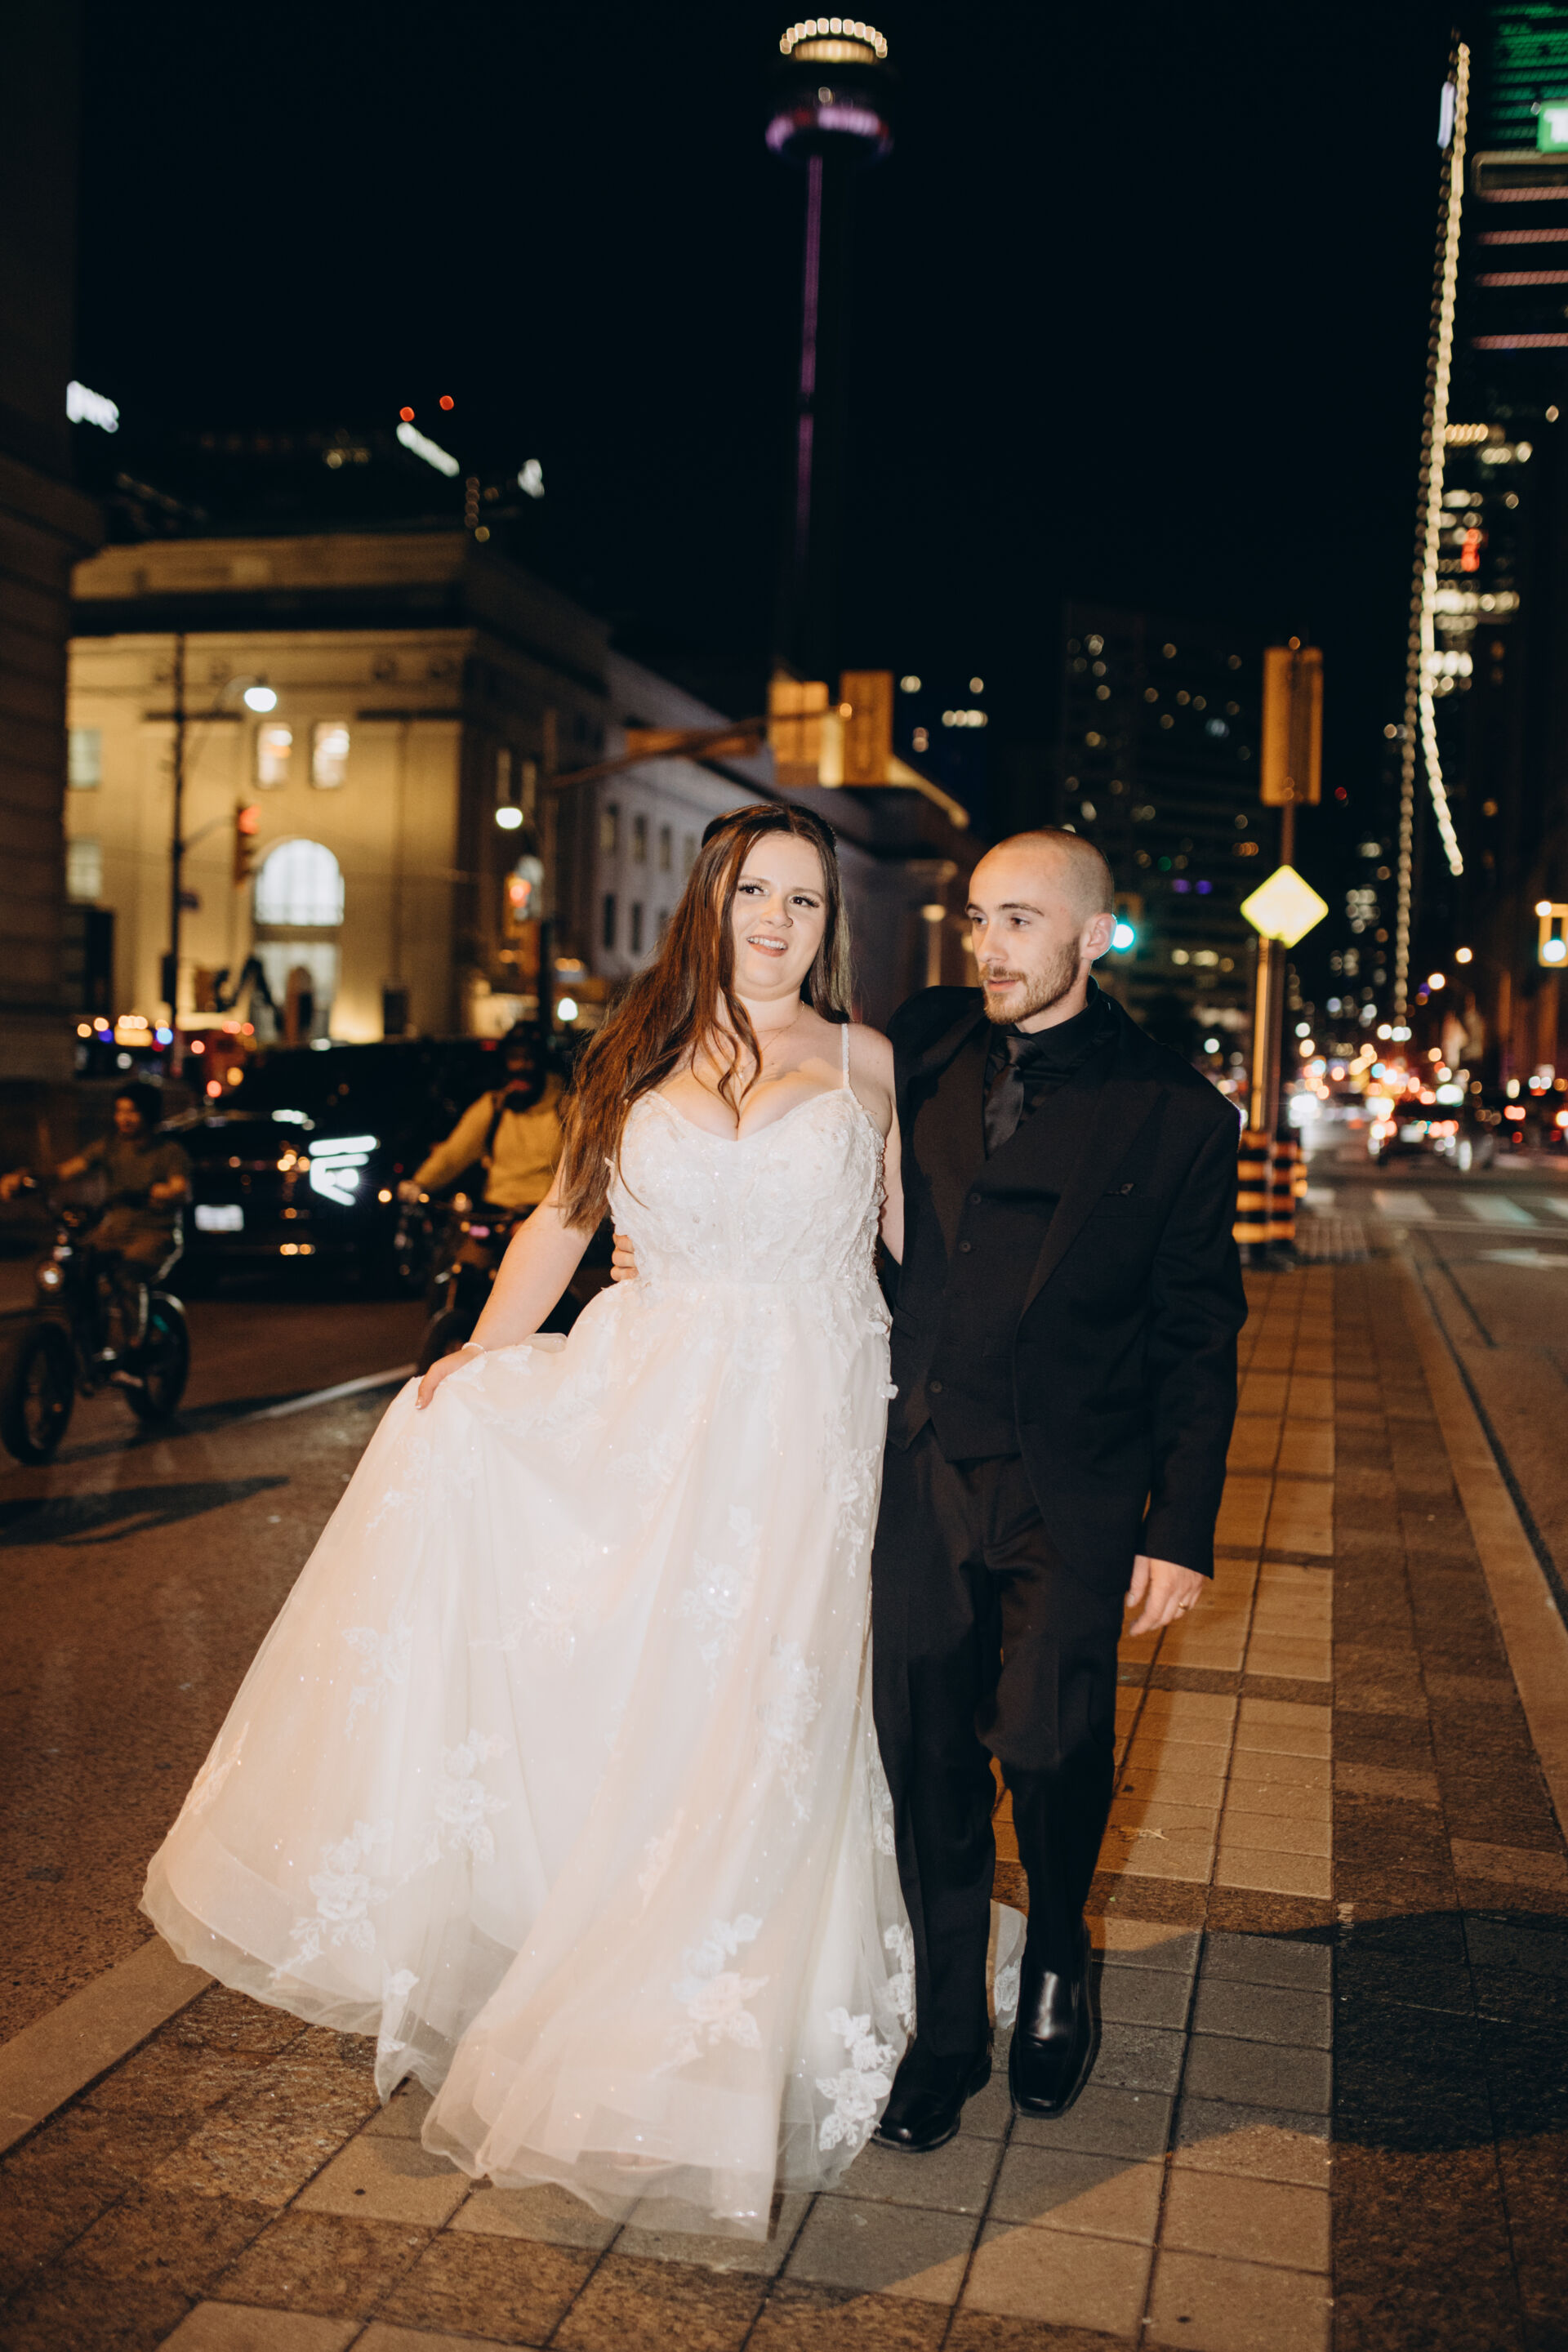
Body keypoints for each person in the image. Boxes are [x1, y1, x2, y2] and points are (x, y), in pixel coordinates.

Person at [143, 804, 1003, 2236]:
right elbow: (559, 1224)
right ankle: (595, 1935)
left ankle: (724, 2004)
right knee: (634, 1686)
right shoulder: (635, 1054)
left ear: (829, 922)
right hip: (647, 1410)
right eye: (755, 892)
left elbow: (922, 1250)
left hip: (810, 1427)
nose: (779, 921)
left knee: (766, 1702)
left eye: (804, 899)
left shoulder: (869, 1063)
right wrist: (477, 1360)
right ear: (708, 903)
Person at [868, 828, 1245, 2151]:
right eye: (978, 918)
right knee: (926, 1759)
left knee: (1047, 1742)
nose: (988, 946)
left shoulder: (1179, 1114)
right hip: (918, 1470)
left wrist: (1180, 1530)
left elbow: (1199, 1334)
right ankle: (945, 2033)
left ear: (1093, 937)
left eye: (1019, 921)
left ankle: (1056, 1957)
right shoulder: (918, 1045)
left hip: (1071, 1489)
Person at [0, 1082, 189, 1348]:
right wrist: (27, 1180)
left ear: (148, 1113)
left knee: (126, 1273)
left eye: (132, 1112)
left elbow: (181, 1189)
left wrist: (165, 1191)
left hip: (154, 1235)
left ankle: (136, 1342)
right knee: (75, 1264)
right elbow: (66, 1170)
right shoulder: (110, 1146)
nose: (123, 1118)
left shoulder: (169, 1152)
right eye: (119, 1111)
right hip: (114, 1231)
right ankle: (89, 1335)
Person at [402, 1022, 564, 1212]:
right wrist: (419, 1182)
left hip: (548, 1214)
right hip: (498, 1211)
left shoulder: (566, 1107)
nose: (520, 1066)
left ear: (543, 1063)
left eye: (529, 1058)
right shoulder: (495, 1106)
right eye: (514, 1057)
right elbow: (454, 1153)